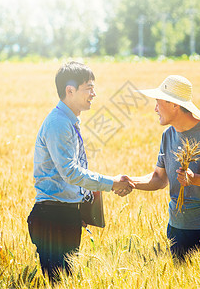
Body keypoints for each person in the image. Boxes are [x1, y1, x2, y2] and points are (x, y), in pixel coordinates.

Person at [27, 61, 133, 282]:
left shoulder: (68, 121)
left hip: (63, 214)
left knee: (64, 280)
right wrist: (112, 183)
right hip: (53, 217)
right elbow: (71, 173)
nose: (94, 93)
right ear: (70, 90)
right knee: (59, 281)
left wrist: (79, 208)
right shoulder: (59, 123)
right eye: (89, 88)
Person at [128, 75, 200, 260]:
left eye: (158, 102)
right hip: (178, 228)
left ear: (174, 105)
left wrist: (195, 179)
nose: (155, 109)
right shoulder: (168, 135)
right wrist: (129, 182)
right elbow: (159, 179)